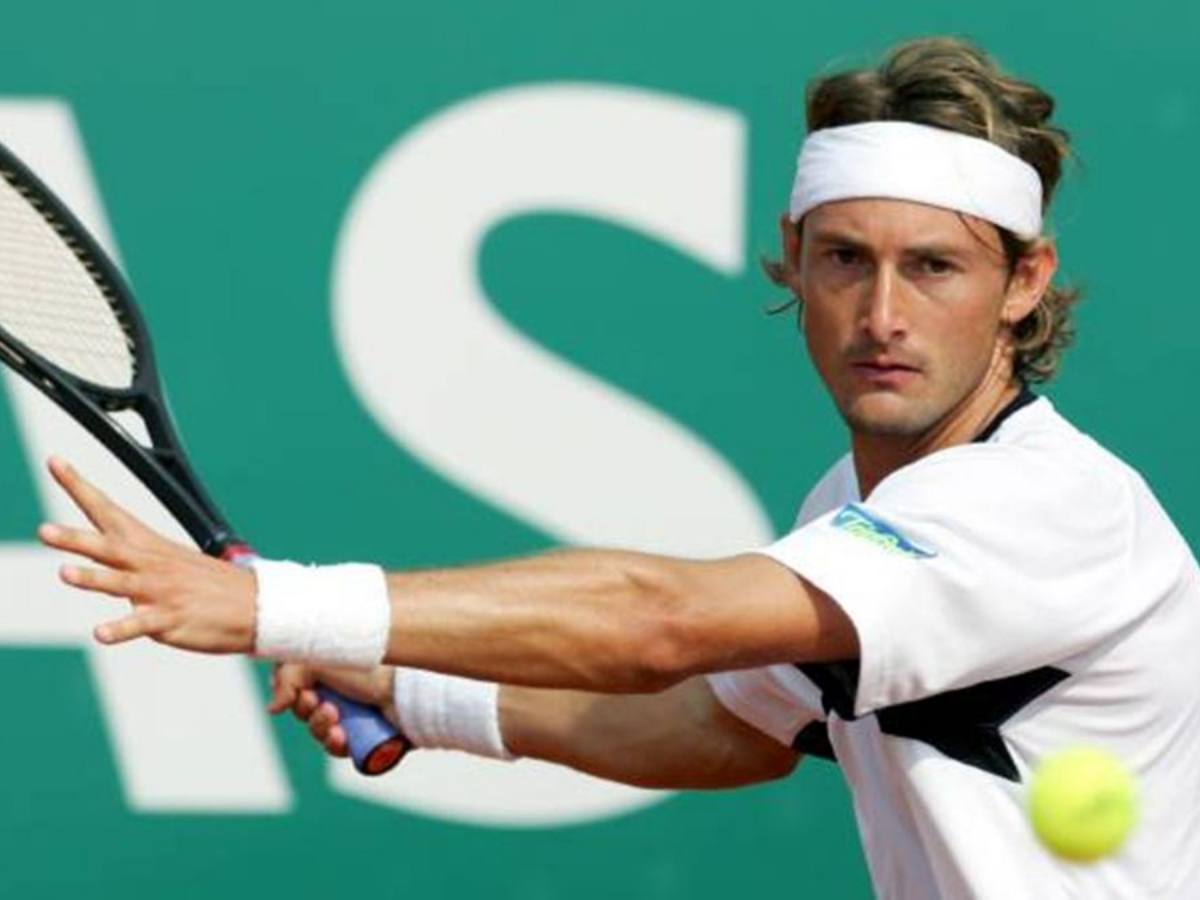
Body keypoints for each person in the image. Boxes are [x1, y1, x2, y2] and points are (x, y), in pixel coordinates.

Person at [37, 37, 1200, 898]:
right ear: (794, 263)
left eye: (935, 268)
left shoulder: (1046, 504)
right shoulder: (855, 508)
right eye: (846, 259)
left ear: (1026, 282)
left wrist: (274, 603)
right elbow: (719, 727)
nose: (882, 314)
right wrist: (414, 690)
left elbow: (661, 625)